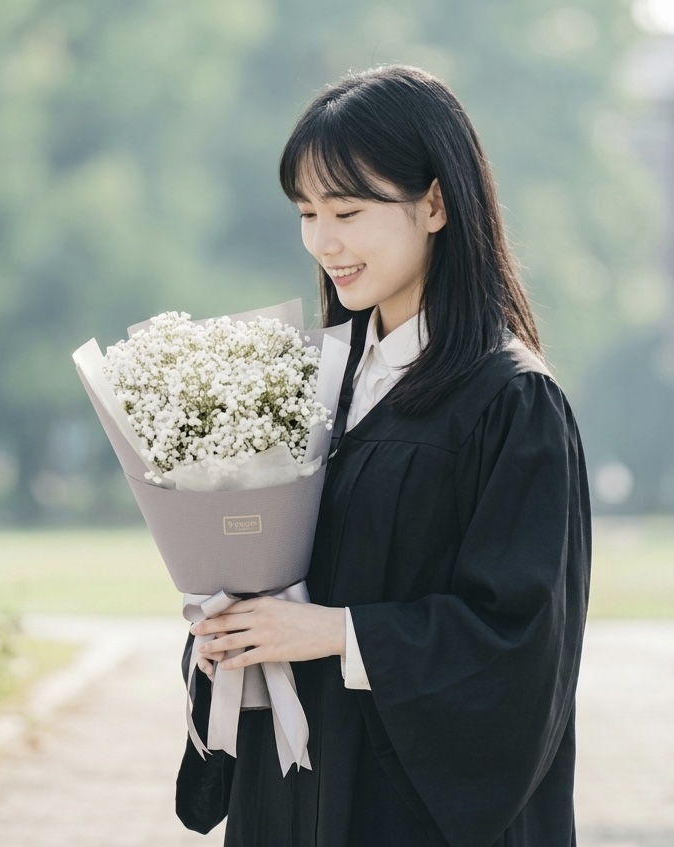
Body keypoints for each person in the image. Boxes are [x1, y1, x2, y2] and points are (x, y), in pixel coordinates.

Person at [177, 64, 591, 847]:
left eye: (349, 209)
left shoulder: (510, 404)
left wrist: (336, 633)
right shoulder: (309, 391)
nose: (323, 240)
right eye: (307, 212)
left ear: (435, 202)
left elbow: (523, 640)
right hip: (295, 786)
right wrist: (229, 628)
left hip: (408, 810)